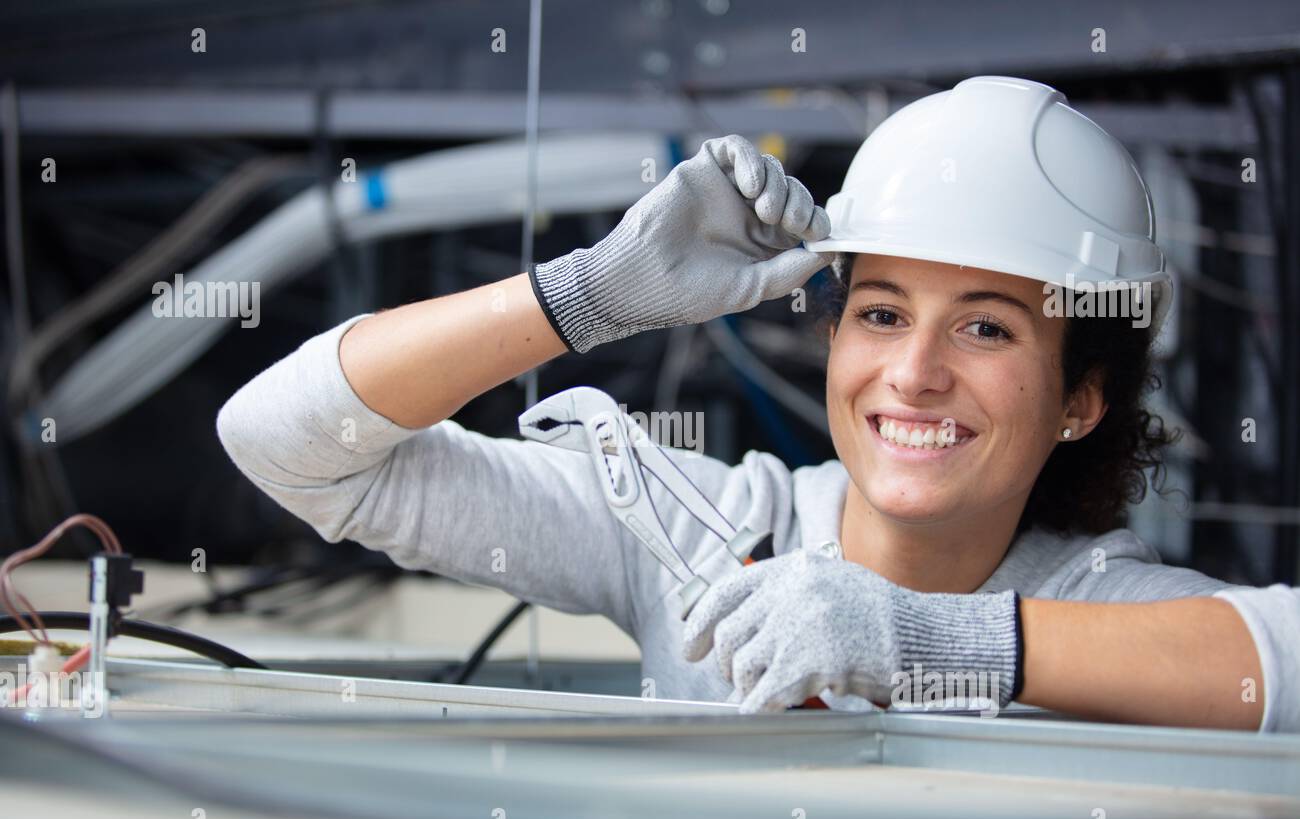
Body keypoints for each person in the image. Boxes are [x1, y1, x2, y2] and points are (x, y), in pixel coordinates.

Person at [217, 76, 1298, 732]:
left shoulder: (1110, 608)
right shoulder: (693, 526)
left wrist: (927, 639)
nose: (913, 372)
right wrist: (585, 296)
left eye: (985, 326)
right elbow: (282, 442)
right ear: (831, 337)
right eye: (879, 313)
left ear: (1081, 400)